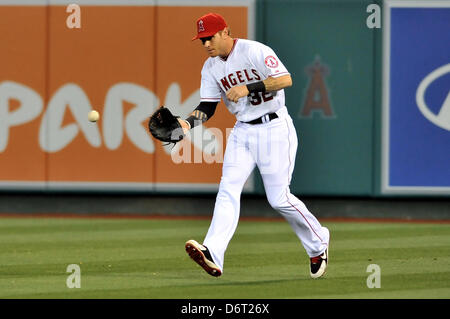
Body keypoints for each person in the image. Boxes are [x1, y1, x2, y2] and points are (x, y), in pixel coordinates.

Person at [178, 12, 330, 279]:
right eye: (201, 40)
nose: (205, 45)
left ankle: (318, 241)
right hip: (242, 131)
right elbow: (207, 107)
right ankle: (213, 252)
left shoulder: (254, 51)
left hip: (274, 128)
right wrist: (188, 124)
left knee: (279, 199)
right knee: (228, 189)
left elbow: (285, 79)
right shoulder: (210, 67)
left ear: (225, 32)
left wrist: (249, 87)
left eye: (209, 38)